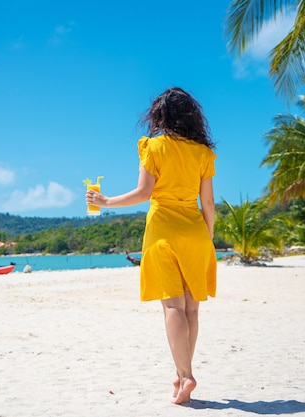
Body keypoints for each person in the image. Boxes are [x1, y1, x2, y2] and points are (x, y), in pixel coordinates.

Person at [86, 87, 217, 405]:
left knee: (173, 307)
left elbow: (144, 193)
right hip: (196, 233)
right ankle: (180, 373)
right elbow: (209, 204)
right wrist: (208, 239)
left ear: (159, 116)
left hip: (162, 233)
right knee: (192, 308)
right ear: (191, 117)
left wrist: (105, 201)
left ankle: (186, 375)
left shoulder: (152, 147)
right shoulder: (202, 153)